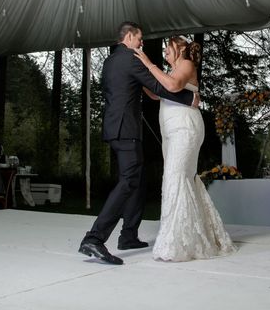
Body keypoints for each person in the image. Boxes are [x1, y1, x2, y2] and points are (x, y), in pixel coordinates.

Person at [78, 22, 198, 265]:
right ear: (129, 36)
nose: (142, 43)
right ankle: (95, 237)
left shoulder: (110, 60)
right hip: (126, 128)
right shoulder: (132, 59)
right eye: (140, 38)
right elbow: (158, 86)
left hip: (114, 127)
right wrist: (190, 97)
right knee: (129, 180)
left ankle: (128, 235)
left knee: (138, 178)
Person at [134, 35, 236, 261]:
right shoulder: (171, 71)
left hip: (185, 128)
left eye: (167, 48)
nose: (165, 52)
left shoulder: (186, 65)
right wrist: (138, 75)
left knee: (175, 176)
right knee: (177, 179)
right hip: (170, 130)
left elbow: (172, 86)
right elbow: (156, 92)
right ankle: (190, 236)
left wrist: (149, 65)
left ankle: (177, 242)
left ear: (179, 49)